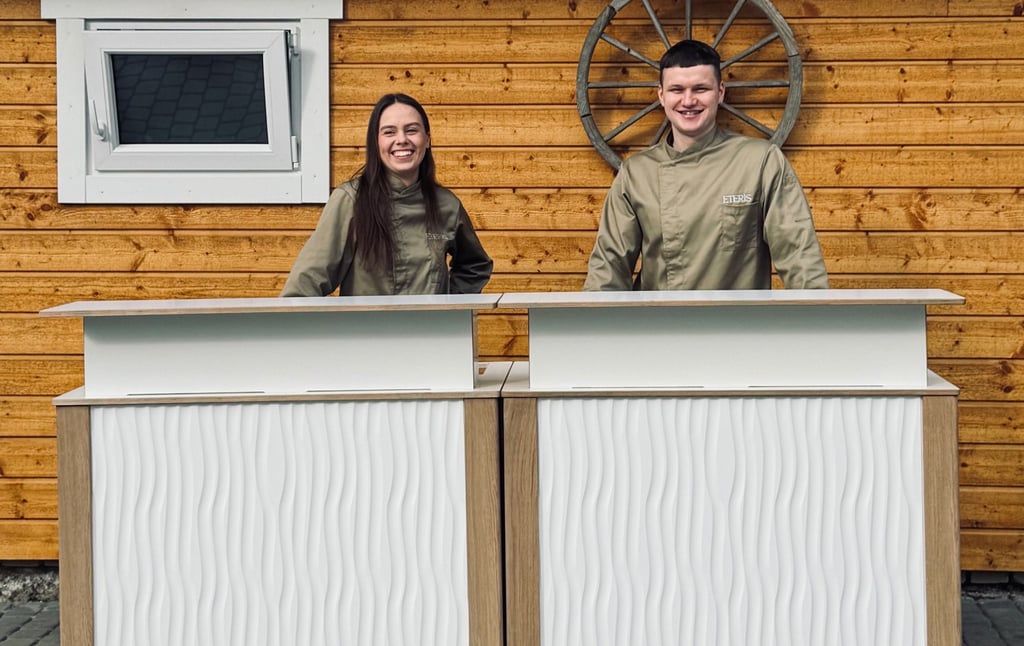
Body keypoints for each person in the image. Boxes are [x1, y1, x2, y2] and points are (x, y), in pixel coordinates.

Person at [583, 39, 828, 291]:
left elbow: (800, 256)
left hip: (739, 326)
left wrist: (817, 322)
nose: (688, 101)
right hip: (659, 326)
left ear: (720, 92)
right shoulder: (635, 174)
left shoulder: (761, 162)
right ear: (661, 96)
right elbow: (608, 270)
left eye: (700, 89)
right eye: (676, 90)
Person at [282, 93, 493, 296]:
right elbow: (306, 283)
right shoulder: (351, 200)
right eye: (389, 132)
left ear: (427, 140)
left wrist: (449, 307)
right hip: (367, 332)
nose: (401, 139)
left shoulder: (447, 205)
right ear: (376, 142)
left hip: (430, 331)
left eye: (411, 130)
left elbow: (474, 265)